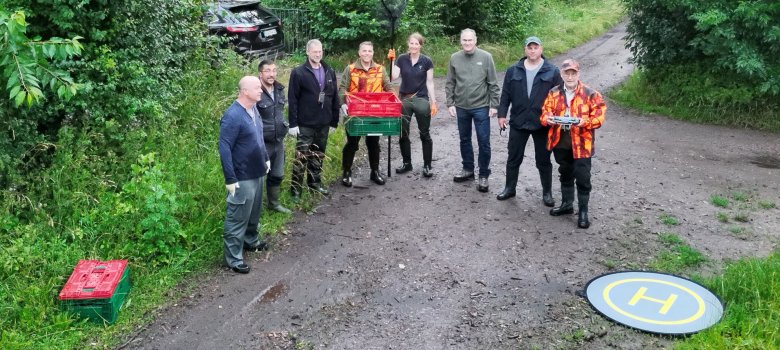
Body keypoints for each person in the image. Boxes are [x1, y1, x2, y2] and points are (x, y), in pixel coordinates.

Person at [496, 36, 563, 205]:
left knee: (543, 160)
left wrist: (557, 119)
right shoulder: (513, 70)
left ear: (541, 49)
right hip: (518, 121)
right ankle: (509, 188)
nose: (532, 50)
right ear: (525, 50)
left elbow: (560, 98)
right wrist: (502, 115)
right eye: (529, 47)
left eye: (536, 47)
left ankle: (547, 193)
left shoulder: (552, 71)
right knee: (513, 157)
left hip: (542, 123)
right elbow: (505, 95)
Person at [540, 59, 606, 229]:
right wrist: (548, 119)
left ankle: (583, 212)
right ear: (561, 75)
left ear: (578, 74)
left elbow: (599, 118)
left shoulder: (591, 94)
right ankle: (567, 205)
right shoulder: (553, 92)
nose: (570, 77)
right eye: (566, 73)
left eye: (573, 73)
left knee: (583, 177)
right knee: (565, 173)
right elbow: (544, 113)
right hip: (561, 142)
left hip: (582, 143)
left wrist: (581, 121)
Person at [218, 76, 271, 274]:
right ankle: (233, 258)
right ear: (244, 91)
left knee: (254, 213)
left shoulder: (254, 109)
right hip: (242, 175)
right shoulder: (232, 115)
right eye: (257, 87)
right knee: (237, 217)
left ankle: (251, 241)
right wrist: (230, 178)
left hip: (257, 172)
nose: (261, 90)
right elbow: (224, 147)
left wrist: (265, 157)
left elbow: (258, 136)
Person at [445, 28, 500, 192]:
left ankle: (483, 175)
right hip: (461, 106)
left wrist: (494, 105)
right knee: (464, 139)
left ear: (475, 41)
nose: (467, 43)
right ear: (460, 41)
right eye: (464, 40)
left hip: (481, 107)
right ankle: (468, 169)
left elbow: (493, 83)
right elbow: (450, 82)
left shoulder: (486, 57)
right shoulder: (454, 58)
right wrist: (450, 103)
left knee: (484, 142)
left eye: (470, 40)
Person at [287, 39, 340, 201]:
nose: (318, 54)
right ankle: (295, 190)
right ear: (308, 52)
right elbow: (293, 99)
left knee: (318, 154)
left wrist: (334, 121)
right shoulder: (299, 72)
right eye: (315, 51)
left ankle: (314, 183)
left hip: (323, 122)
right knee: (301, 156)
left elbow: (334, 97)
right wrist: (293, 123)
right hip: (305, 123)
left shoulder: (329, 70)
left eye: (320, 51)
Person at [339, 41, 392, 187]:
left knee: (373, 143)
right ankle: (347, 172)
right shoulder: (350, 69)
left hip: (374, 112)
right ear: (359, 52)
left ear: (373, 53)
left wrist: (391, 99)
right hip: (355, 112)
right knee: (352, 143)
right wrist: (343, 103)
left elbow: (388, 87)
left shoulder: (380, 69)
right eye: (364, 51)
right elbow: (342, 87)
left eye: (369, 51)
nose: (367, 53)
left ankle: (374, 172)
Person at [391, 32, 437, 177]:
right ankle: (407, 163)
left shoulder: (427, 61)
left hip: (421, 98)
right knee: (403, 132)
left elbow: (430, 82)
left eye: (417, 43)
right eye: (411, 43)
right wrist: (391, 61)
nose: (414, 46)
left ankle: (427, 165)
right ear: (408, 44)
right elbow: (393, 77)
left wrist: (433, 101)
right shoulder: (401, 59)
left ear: (420, 45)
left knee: (424, 132)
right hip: (405, 98)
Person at [256, 59, 291, 214]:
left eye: (274, 70)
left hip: (278, 141)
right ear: (260, 73)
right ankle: (255, 210)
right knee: (257, 178)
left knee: (277, 174)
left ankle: (273, 204)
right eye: (267, 71)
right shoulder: (255, 90)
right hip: (261, 143)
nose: (272, 74)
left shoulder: (279, 89)